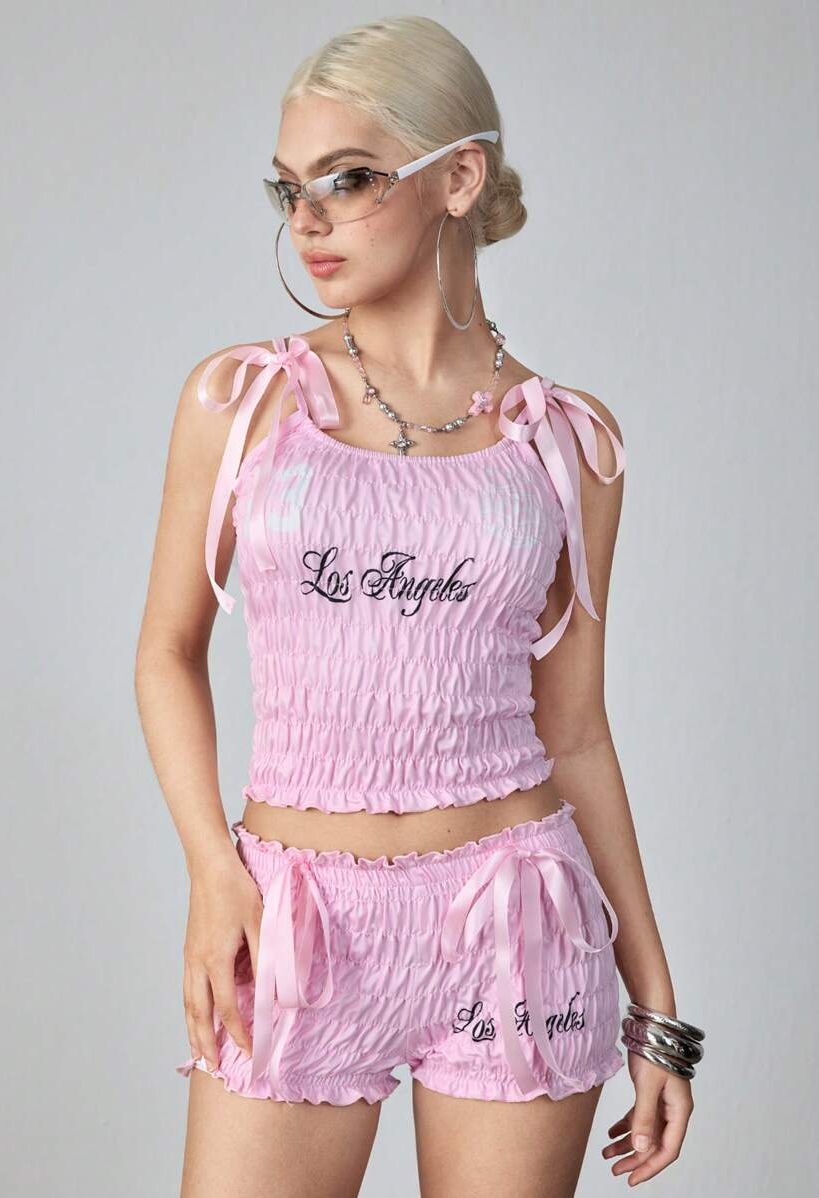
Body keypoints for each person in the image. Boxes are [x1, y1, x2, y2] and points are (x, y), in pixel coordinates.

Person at [135, 16, 702, 1198]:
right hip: (297, 919)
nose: (309, 220)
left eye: (348, 180)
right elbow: (167, 652)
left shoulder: (566, 442)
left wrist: (656, 1003)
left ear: (460, 177)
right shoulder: (242, 401)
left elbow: (576, 730)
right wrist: (211, 871)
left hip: (518, 923)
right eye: (290, 188)